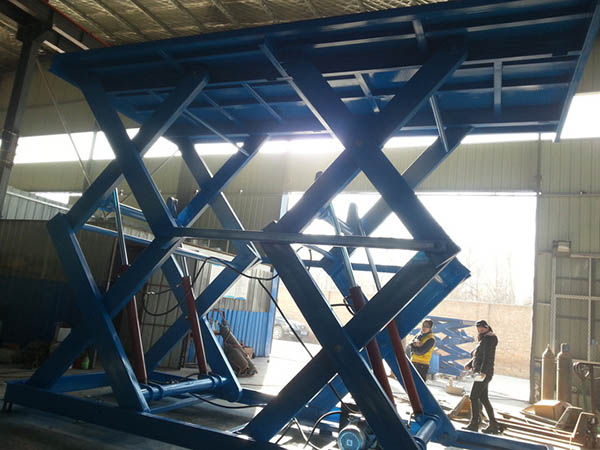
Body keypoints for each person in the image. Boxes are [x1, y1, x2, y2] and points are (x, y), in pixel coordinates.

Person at [464, 319, 501, 434]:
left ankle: (474, 424)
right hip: (482, 373)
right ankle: (493, 425)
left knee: (473, 397)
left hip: (483, 373)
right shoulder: (484, 339)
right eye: (478, 328)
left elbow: (487, 356)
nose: (480, 330)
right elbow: (478, 355)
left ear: (487, 327)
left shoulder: (489, 339)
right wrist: (470, 364)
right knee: (484, 398)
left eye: (482, 328)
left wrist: (483, 372)